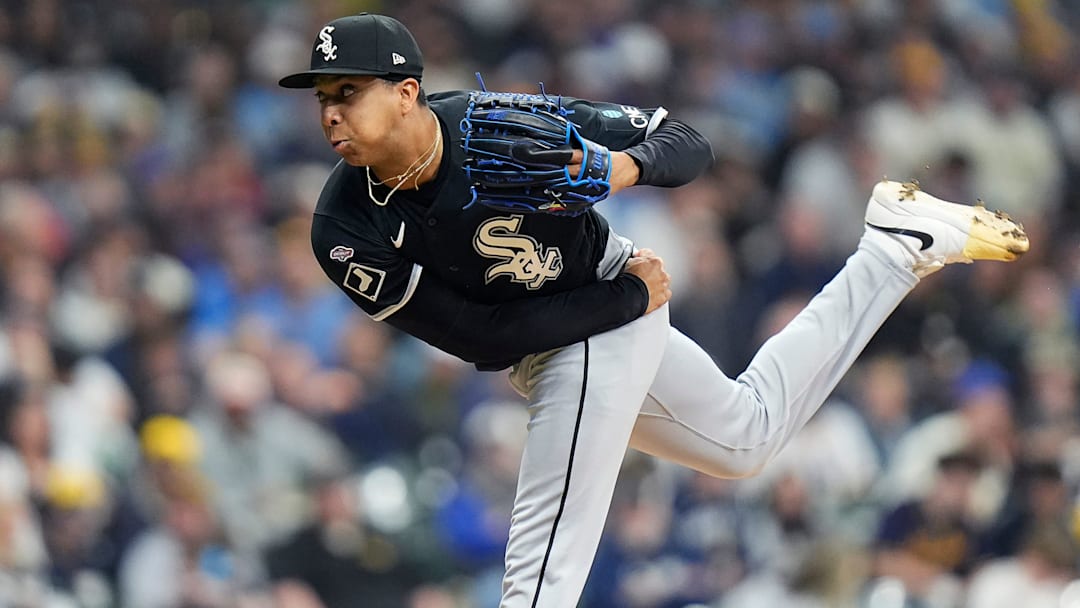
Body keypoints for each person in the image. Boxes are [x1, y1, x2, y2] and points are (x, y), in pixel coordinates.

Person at [278, 13, 1029, 607]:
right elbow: (477, 334)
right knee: (746, 436)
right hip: (578, 318)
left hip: (602, 313)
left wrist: (621, 165)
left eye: (348, 91)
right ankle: (893, 250)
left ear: (406, 92)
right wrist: (629, 298)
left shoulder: (493, 122)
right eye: (323, 99)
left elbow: (688, 141)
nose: (331, 115)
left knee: (543, 565)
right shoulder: (343, 228)